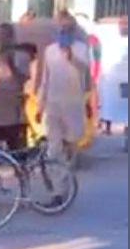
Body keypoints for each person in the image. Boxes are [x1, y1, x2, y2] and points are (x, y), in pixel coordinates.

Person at [36, 12, 93, 164]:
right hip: (53, 102)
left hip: (73, 102)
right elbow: (45, 79)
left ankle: (69, 169)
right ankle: (57, 173)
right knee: (54, 144)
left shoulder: (81, 48)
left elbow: (85, 71)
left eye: (67, 28)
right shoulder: (50, 51)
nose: (64, 31)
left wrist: (71, 58)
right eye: (61, 28)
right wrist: (40, 106)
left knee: (72, 139)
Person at [0, 23, 32, 150]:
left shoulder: (21, 56)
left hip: (15, 116)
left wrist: (11, 65)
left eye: (5, 36)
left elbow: (23, 81)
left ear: (11, 37)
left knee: (18, 155)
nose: (2, 40)